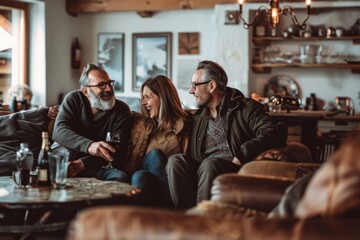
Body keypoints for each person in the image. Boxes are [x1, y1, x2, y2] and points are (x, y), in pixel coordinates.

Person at [166, 60, 288, 210]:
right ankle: (184, 218)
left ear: (211, 86)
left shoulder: (245, 108)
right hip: (205, 170)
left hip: (234, 167)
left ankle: (202, 219)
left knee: (210, 163)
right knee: (175, 161)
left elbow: (275, 132)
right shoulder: (199, 117)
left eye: (195, 85)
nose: (191, 91)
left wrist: (242, 154)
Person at [52, 63, 132, 182]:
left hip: (98, 166)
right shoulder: (74, 99)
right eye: (101, 85)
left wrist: (82, 163)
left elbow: (116, 149)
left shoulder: (121, 110)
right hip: (69, 162)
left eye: (110, 83)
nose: (109, 89)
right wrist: (89, 145)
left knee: (120, 177)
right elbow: (59, 131)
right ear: (85, 91)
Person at [124, 75, 192, 208]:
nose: (143, 103)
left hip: (167, 180)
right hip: (143, 168)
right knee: (153, 158)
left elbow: (186, 160)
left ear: (163, 97)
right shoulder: (140, 123)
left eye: (148, 97)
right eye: (143, 98)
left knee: (140, 177)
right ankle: (174, 212)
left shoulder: (184, 125)